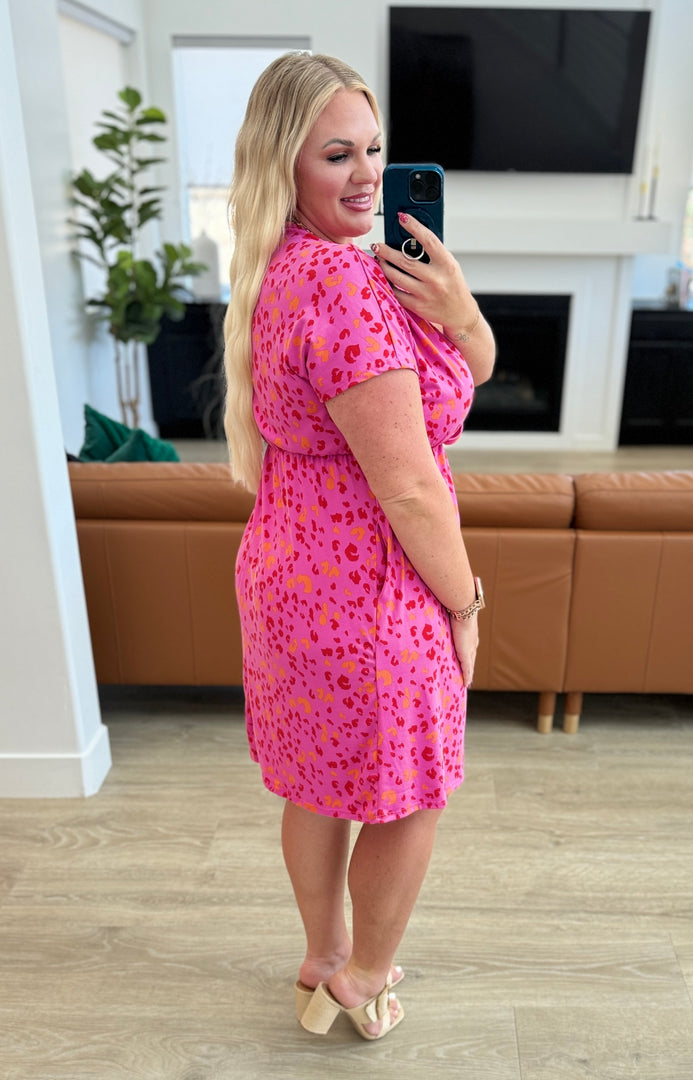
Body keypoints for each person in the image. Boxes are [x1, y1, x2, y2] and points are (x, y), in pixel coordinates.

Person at [224, 52, 495, 1041]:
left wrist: (458, 309)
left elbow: (472, 369)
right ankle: (363, 978)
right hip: (370, 590)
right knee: (409, 795)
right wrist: (465, 604)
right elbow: (410, 487)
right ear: (283, 163)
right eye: (337, 154)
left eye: (374, 149)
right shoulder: (343, 283)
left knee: (318, 779)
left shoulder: (285, 265)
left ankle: (324, 954)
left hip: (290, 573)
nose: (369, 174)